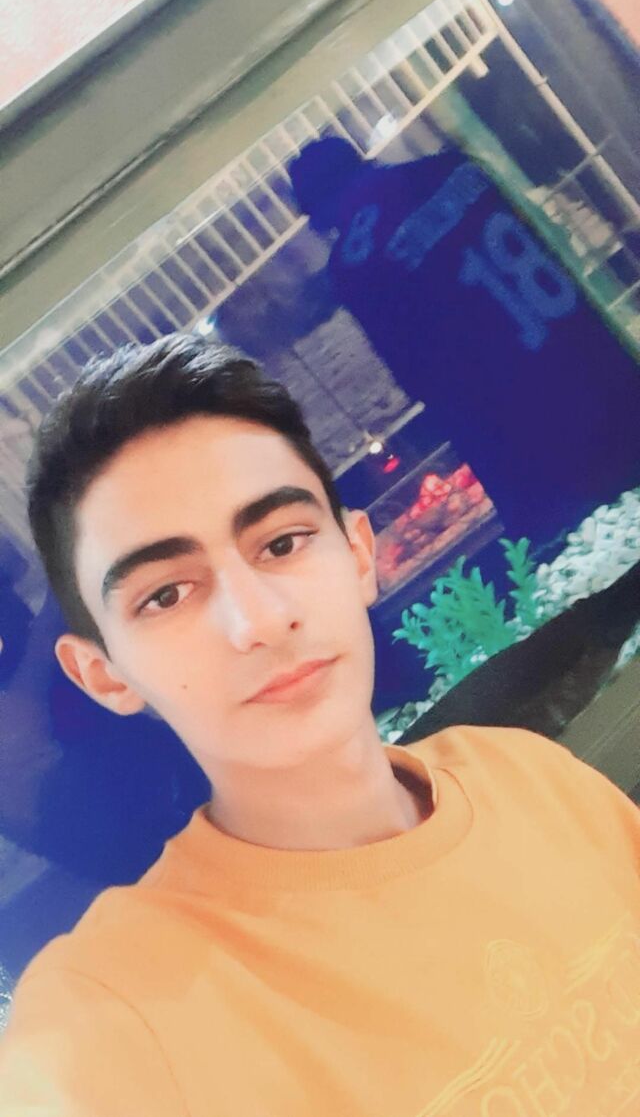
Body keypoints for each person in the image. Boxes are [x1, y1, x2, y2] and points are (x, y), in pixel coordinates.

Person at [0, 332, 638, 1117]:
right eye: (165, 594)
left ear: (359, 554)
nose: (259, 620)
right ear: (104, 673)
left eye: (282, 542)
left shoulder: (528, 776)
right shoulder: (115, 1024)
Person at [288, 137, 640, 547]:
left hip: (533, 420)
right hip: (594, 353)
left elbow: (419, 374)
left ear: (323, 207)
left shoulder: (356, 264)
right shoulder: (455, 167)